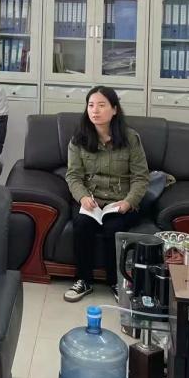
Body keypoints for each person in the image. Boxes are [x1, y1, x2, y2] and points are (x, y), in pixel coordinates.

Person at [63, 86, 149, 302]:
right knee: (82, 225)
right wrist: (83, 197)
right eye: (91, 105)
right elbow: (73, 176)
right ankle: (83, 280)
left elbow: (140, 178)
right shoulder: (79, 139)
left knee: (113, 228)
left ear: (114, 109)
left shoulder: (130, 138)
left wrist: (128, 202)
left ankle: (116, 281)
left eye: (101, 105)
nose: (95, 110)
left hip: (120, 202)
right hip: (91, 201)